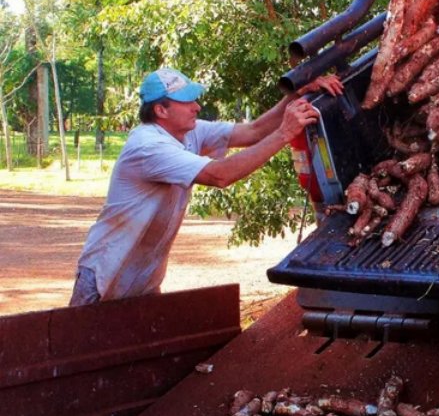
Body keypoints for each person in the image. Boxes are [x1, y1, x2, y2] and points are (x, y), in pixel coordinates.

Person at [70, 67, 342, 306]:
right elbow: (220, 175)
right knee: (78, 357)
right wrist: (285, 132)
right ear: (161, 110)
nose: (197, 106)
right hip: (106, 276)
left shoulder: (189, 131)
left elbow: (254, 131)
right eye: (187, 101)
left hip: (144, 278)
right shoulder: (148, 147)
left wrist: (295, 95)